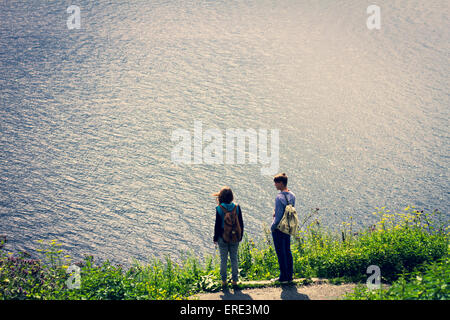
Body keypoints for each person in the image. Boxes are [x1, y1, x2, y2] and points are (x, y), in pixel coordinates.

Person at [213, 186, 244, 287]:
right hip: (235, 236)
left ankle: (223, 281)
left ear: (221, 197)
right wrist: (240, 235)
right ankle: (235, 280)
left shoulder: (219, 208)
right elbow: (241, 222)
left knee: (223, 259)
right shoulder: (237, 207)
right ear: (231, 196)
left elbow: (217, 225)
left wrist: (215, 237)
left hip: (223, 237)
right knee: (234, 258)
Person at [271, 173, 295, 283]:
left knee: (280, 252)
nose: (275, 184)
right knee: (287, 250)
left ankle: (283, 277)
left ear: (281, 183)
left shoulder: (279, 197)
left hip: (279, 228)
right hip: (288, 227)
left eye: (276, 182)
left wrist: (272, 227)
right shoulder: (292, 195)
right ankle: (289, 275)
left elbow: (279, 216)